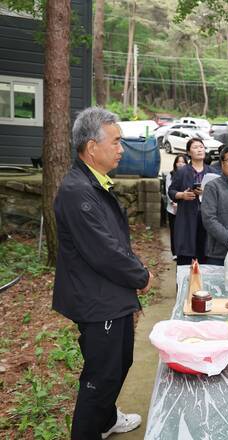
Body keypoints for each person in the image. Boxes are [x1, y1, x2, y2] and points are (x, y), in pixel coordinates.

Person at [52, 107, 153, 439]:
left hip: (110, 294)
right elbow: (104, 252)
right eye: (116, 142)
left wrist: (134, 269)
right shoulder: (77, 191)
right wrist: (141, 275)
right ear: (92, 147)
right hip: (97, 299)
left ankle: (107, 419)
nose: (121, 149)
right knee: (101, 375)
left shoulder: (93, 183)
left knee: (118, 364)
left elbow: (114, 242)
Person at [168, 137, 217, 266]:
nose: (200, 150)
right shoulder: (182, 172)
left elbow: (220, 195)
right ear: (189, 153)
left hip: (206, 219)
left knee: (205, 257)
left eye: (201, 147)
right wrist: (182, 195)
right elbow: (171, 191)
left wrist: (206, 193)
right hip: (187, 217)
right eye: (195, 147)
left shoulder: (213, 172)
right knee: (185, 257)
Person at [165, 154, 188, 260]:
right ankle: (175, 252)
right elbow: (168, 190)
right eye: (179, 162)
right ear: (175, 163)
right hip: (173, 207)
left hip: (184, 207)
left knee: (183, 230)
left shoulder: (188, 174)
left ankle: (183, 251)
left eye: (183, 162)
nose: (181, 164)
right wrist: (174, 202)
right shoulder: (170, 175)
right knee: (174, 230)